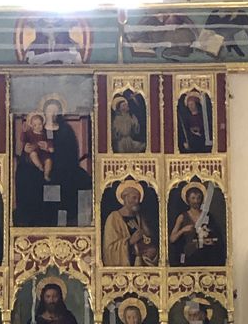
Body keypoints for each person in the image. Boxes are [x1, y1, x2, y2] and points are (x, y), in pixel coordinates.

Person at [14, 98, 91, 227]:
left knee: (79, 179)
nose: (53, 114)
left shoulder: (65, 130)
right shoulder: (37, 128)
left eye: (56, 111)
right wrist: (26, 150)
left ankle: (66, 220)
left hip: (62, 165)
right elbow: (27, 149)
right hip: (38, 166)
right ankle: (33, 220)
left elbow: (71, 152)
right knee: (24, 174)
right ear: (45, 113)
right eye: (50, 111)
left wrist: (53, 149)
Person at [103, 180, 158, 267]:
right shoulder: (114, 218)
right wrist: (130, 241)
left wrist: (150, 250)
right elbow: (110, 249)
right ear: (125, 198)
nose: (137, 201)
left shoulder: (139, 217)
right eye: (134, 198)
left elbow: (148, 240)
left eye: (138, 198)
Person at [169, 183, 225, 267]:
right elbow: (172, 239)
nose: (196, 201)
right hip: (190, 253)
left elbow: (216, 234)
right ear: (188, 199)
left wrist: (210, 240)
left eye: (198, 198)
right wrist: (183, 230)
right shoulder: (182, 217)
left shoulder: (207, 215)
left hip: (206, 252)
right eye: (193, 198)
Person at [21, 113, 54, 180]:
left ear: (43, 124)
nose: (38, 126)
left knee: (48, 161)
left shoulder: (45, 133)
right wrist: (24, 132)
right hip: (34, 150)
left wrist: (48, 146)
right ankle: (39, 166)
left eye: (40, 124)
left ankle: (46, 174)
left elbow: (50, 141)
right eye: (35, 125)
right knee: (33, 154)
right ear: (31, 126)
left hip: (43, 152)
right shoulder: (29, 133)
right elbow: (23, 139)